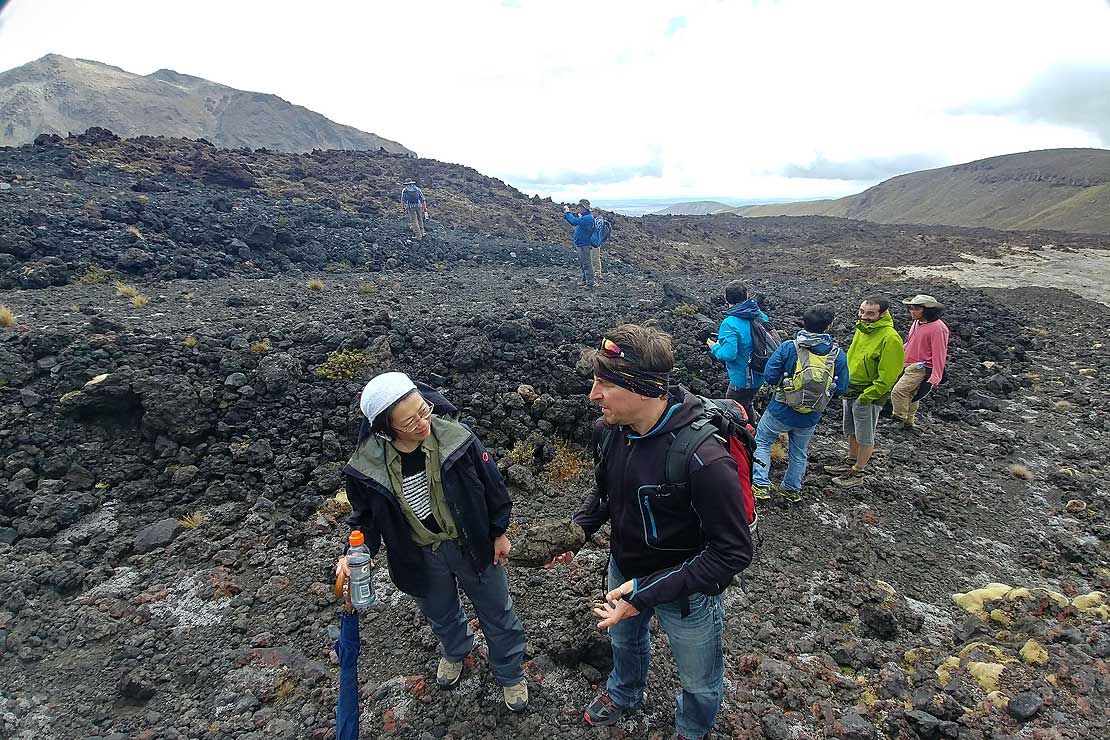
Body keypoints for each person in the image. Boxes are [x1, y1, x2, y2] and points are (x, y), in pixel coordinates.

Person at [561, 324, 753, 740]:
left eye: (604, 384)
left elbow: (733, 553)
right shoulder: (608, 431)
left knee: (699, 678)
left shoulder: (704, 458)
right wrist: (577, 532)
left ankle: (692, 728)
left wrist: (644, 593)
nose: (592, 395)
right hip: (623, 570)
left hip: (687, 591)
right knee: (624, 643)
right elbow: (606, 492)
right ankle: (625, 691)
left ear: (643, 389)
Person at [336, 372, 529, 712]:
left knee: (498, 611)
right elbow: (364, 519)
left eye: (423, 410)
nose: (423, 422)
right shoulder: (366, 468)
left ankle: (510, 672)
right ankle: (456, 651)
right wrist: (354, 553)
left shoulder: (458, 439)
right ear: (385, 430)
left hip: (473, 543)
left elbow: (493, 487)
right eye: (409, 422)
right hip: (419, 553)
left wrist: (499, 532)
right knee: (440, 613)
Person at [753, 305, 849, 503]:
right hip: (811, 414)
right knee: (799, 452)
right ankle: (791, 489)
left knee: (762, 442)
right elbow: (841, 388)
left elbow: (770, 375)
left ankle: (761, 485)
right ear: (829, 326)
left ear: (804, 323)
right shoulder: (837, 355)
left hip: (781, 409)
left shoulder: (790, 347)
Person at [826, 295, 905, 489]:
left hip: (868, 395)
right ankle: (851, 461)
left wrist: (868, 396)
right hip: (851, 389)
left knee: (865, 435)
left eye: (870, 313)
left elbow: (889, 375)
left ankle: (858, 472)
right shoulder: (862, 329)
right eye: (862, 311)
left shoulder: (890, 338)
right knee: (851, 430)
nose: (863, 316)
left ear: (882, 314)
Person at [706, 281, 766, 423]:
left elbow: (729, 354)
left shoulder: (730, 323)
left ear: (726, 299)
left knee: (732, 412)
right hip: (760, 372)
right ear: (747, 296)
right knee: (747, 403)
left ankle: (742, 435)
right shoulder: (760, 315)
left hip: (742, 379)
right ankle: (752, 428)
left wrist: (714, 347)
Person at [890, 294, 950, 429]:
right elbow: (912, 343)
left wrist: (936, 377)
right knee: (911, 393)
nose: (912, 311)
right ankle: (908, 421)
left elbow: (939, 354)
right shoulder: (917, 323)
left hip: (921, 367)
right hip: (908, 363)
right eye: (911, 308)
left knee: (898, 391)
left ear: (928, 311)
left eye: (916, 309)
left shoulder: (938, 329)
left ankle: (899, 418)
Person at [563, 198, 596, 289]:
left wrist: (567, 212)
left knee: (586, 264)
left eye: (580, 206)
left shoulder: (587, 218)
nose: (578, 208)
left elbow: (574, 222)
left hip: (584, 244)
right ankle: (585, 280)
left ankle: (590, 283)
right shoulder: (584, 217)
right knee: (583, 264)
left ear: (584, 208)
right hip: (580, 244)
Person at [589, 206, 605, 283]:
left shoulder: (599, 220)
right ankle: (595, 272)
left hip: (595, 242)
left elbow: (597, 228)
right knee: (592, 257)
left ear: (597, 212)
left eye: (593, 211)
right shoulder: (596, 219)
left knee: (595, 257)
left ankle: (598, 273)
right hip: (593, 241)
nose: (592, 213)